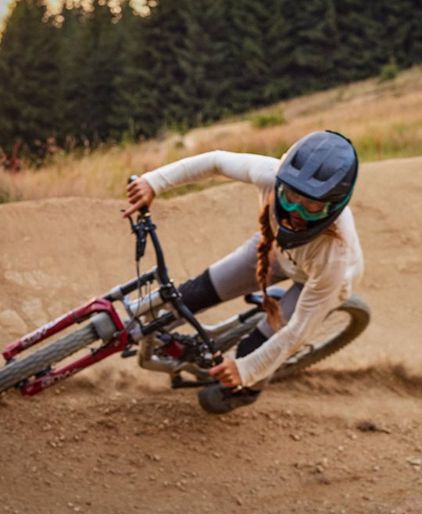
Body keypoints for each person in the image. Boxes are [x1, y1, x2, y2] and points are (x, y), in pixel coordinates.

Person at [123, 130, 364, 414]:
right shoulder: (271, 175)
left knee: (252, 347)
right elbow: (216, 162)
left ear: (333, 208)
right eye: (291, 196)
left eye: (312, 205)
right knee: (193, 294)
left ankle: (249, 392)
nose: (296, 210)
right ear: (283, 180)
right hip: (273, 249)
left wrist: (246, 370)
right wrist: (154, 182)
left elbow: (297, 331)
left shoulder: (336, 256)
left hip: (316, 280)